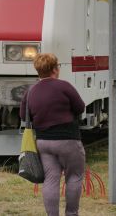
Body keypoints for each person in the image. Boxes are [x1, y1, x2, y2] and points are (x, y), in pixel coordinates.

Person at [19, 53, 86, 216]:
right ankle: (71, 213)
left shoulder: (31, 91)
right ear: (55, 69)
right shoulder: (64, 86)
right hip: (68, 140)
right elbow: (80, 107)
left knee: (51, 179)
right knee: (74, 176)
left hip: (43, 142)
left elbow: (23, 116)